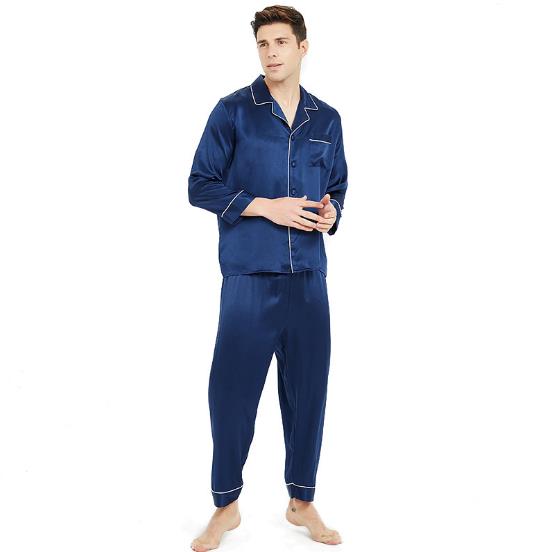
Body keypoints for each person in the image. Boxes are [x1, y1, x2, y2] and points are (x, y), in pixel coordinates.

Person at [188, 5, 348, 550]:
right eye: (263, 43)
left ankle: (301, 502)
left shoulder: (327, 119)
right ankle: (225, 506)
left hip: (309, 278)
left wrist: (331, 213)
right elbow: (200, 184)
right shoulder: (233, 110)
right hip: (249, 276)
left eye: (281, 42)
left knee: (308, 393)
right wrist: (266, 206)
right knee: (231, 393)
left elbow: (338, 186)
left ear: (303, 47)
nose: (271, 52)